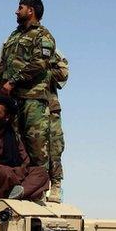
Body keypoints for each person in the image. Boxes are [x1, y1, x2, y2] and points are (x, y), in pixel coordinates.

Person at [0, 0, 59, 201]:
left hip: (33, 98)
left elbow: (40, 63)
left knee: (37, 145)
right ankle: (23, 186)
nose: (16, 11)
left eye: (20, 7)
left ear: (31, 10)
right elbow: (3, 62)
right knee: (18, 145)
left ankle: (42, 189)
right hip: (13, 100)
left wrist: (13, 81)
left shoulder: (43, 35)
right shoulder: (13, 36)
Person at [0, 96, 48, 200]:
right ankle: (15, 191)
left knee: (41, 172)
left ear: (7, 117)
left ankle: (18, 192)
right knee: (2, 172)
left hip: (13, 175)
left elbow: (25, 161)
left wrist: (16, 173)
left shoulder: (13, 136)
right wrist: (13, 174)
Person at [45, 50, 68, 199]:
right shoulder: (15, 45)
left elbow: (63, 73)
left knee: (54, 147)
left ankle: (55, 185)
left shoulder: (49, 47)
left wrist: (42, 69)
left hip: (49, 107)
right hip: (25, 107)